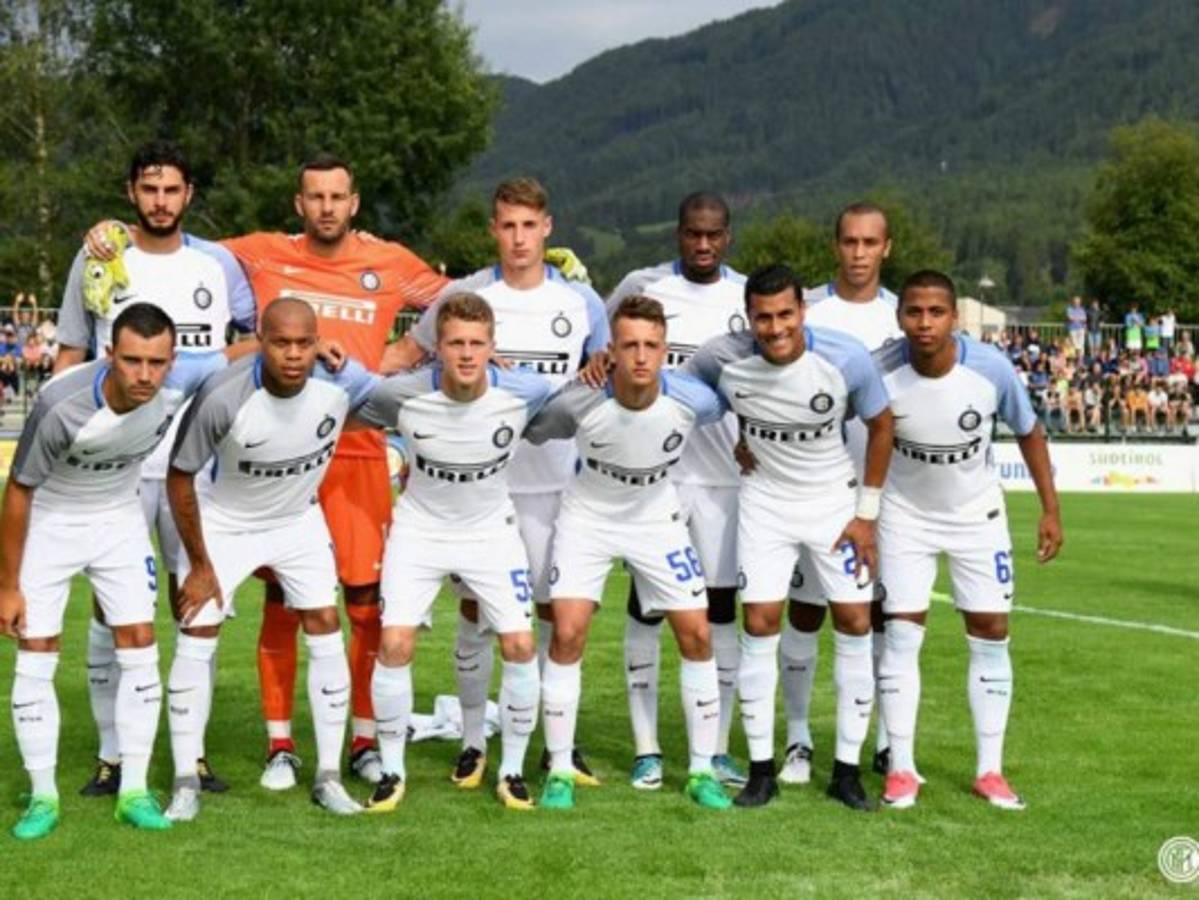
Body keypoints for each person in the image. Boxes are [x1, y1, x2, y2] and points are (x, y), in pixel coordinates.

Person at [85, 152, 449, 788]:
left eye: (338, 196)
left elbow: (463, 301)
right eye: (315, 196)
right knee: (283, 602)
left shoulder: (389, 261)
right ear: (298, 204)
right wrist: (110, 232)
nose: (327, 207)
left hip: (356, 451)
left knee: (363, 605)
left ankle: (362, 740)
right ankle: (280, 745)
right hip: (274, 452)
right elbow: (176, 245)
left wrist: (400, 354)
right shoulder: (254, 254)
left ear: (354, 203)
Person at [395, 177, 609, 789]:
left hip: (555, 486)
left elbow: (598, 385)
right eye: (507, 225)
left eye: (528, 225)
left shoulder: (581, 303)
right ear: (494, 229)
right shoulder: (463, 295)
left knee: (548, 615)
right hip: (475, 491)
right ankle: (471, 742)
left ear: (548, 228)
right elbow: (404, 362)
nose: (518, 238)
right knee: (474, 612)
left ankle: (552, 743)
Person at [61, 140, 256, 797]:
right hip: (111, 469)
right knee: (111, 610)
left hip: (194, 470)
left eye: (172, 190)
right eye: (150, 189)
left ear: (189, 195)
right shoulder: (99, 258)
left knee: (196, 604)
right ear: (131, 193)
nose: (161, 201)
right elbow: (68, 354)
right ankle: (113, 756)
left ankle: (190, 755)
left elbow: (256, 338)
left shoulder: (218, 263)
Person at [0, 303, 235, 839]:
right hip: (53, 522)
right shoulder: (61, 405)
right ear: (110, 355)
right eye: (132, 361)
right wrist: (7, 585)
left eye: (156, 362)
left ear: (173, 359)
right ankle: (42, 797)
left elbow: (252, 352)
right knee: (36, 653)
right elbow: (18, 492)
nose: (145, 375)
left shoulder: (186, 378)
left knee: (139, 644)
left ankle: (132, 789)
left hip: (118, 519)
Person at [686, 263, 894, 811]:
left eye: (785, 315)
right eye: (763, 317)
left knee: (853, 620)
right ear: (748, 317)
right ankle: (760, 770)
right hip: (765, 504)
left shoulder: (845, 356)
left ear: (803, 310)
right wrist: (736, 438)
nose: (775, 328)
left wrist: (866, 514)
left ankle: (846, 772)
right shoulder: (720, 357)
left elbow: (883, 425)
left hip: (833, 503)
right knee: (759, 622)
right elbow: (694, 391)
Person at [163, 298, 377, 821]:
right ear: (261, 340)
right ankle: (185, 779)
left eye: (304, 343)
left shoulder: (338, 387)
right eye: (281, 343)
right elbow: (179, 476)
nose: (293, 355)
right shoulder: (223, 395)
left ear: (317, 341)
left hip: (296, 520)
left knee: (326, 622)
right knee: (198, 629)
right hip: (226, 523)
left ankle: (328, 776)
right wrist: (201, 564)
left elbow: (412, 395)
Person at [530, 295, 730, 812]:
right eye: (629, 345)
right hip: (588, 517)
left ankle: (702, 771)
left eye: (651, 346)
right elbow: (533, 427)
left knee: (698, 632)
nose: (640, 356)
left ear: (665, 350)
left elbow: (740, 394)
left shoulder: (694, 399)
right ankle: (559, 770)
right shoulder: (581, 400)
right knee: (568, 631)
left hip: (656, 517)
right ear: (610, 350)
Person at [352, 293, 551, 813]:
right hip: (420, 530)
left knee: (520, 645)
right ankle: (391, 772)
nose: (466, 354)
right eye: (456, 343)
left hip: (491, 530)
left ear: (493, 348)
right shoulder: (402, 395)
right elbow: (344, 396)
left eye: (477, 344)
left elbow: (581, 403)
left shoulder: (524, 392)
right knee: (394, 644)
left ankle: (509, 770)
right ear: (436, 348)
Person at [874, 270, 1062, 811]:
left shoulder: (990, 368)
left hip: (976, 517)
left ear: (954, 317)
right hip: (903, 516)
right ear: (900, 315)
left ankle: (989, 771)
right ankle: (902, 769)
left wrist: (1051, 509)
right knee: (902, 636)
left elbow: (1029, 432)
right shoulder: (879, 370)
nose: (925, 322)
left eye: (936, 312)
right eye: (914, 311)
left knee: (991, 632)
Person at [592, 192, 747, 790]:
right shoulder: (644, 284)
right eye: (692, 234)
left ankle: (720, 744)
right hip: (657, 479)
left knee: (719, 612)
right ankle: (646, 747)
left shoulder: (745, 296)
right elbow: (601, 350)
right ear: (678, 234)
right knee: (646, 608)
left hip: (724, 480)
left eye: (713, 235)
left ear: (727, 236)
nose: (702, 245)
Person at [779, 201, 903, 786]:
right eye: (849, 242)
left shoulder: (904, 318)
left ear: (887, 248)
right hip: (814, 491)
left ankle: (881, 740)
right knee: (803, 612)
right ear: (836, 246)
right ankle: (798, 738)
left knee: (878, 618)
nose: (858, 254)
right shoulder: (807, 310)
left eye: (869, 243)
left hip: (881, 496)